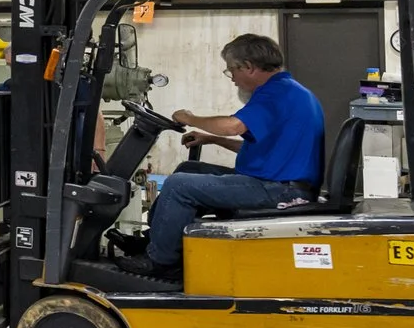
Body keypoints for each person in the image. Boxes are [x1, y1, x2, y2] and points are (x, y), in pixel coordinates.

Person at [130, 33, 325, 276]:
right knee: (188, 170)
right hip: (278, 182)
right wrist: (212, 139)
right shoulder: (288, 91)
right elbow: (263, 149)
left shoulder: (275, 93)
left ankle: (161, 262)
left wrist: (190, 118)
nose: (231, 78)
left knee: (179, 185)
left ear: (249, 67)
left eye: (231, 70)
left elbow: (233, 125)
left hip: (280, 190)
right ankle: (155, 241)